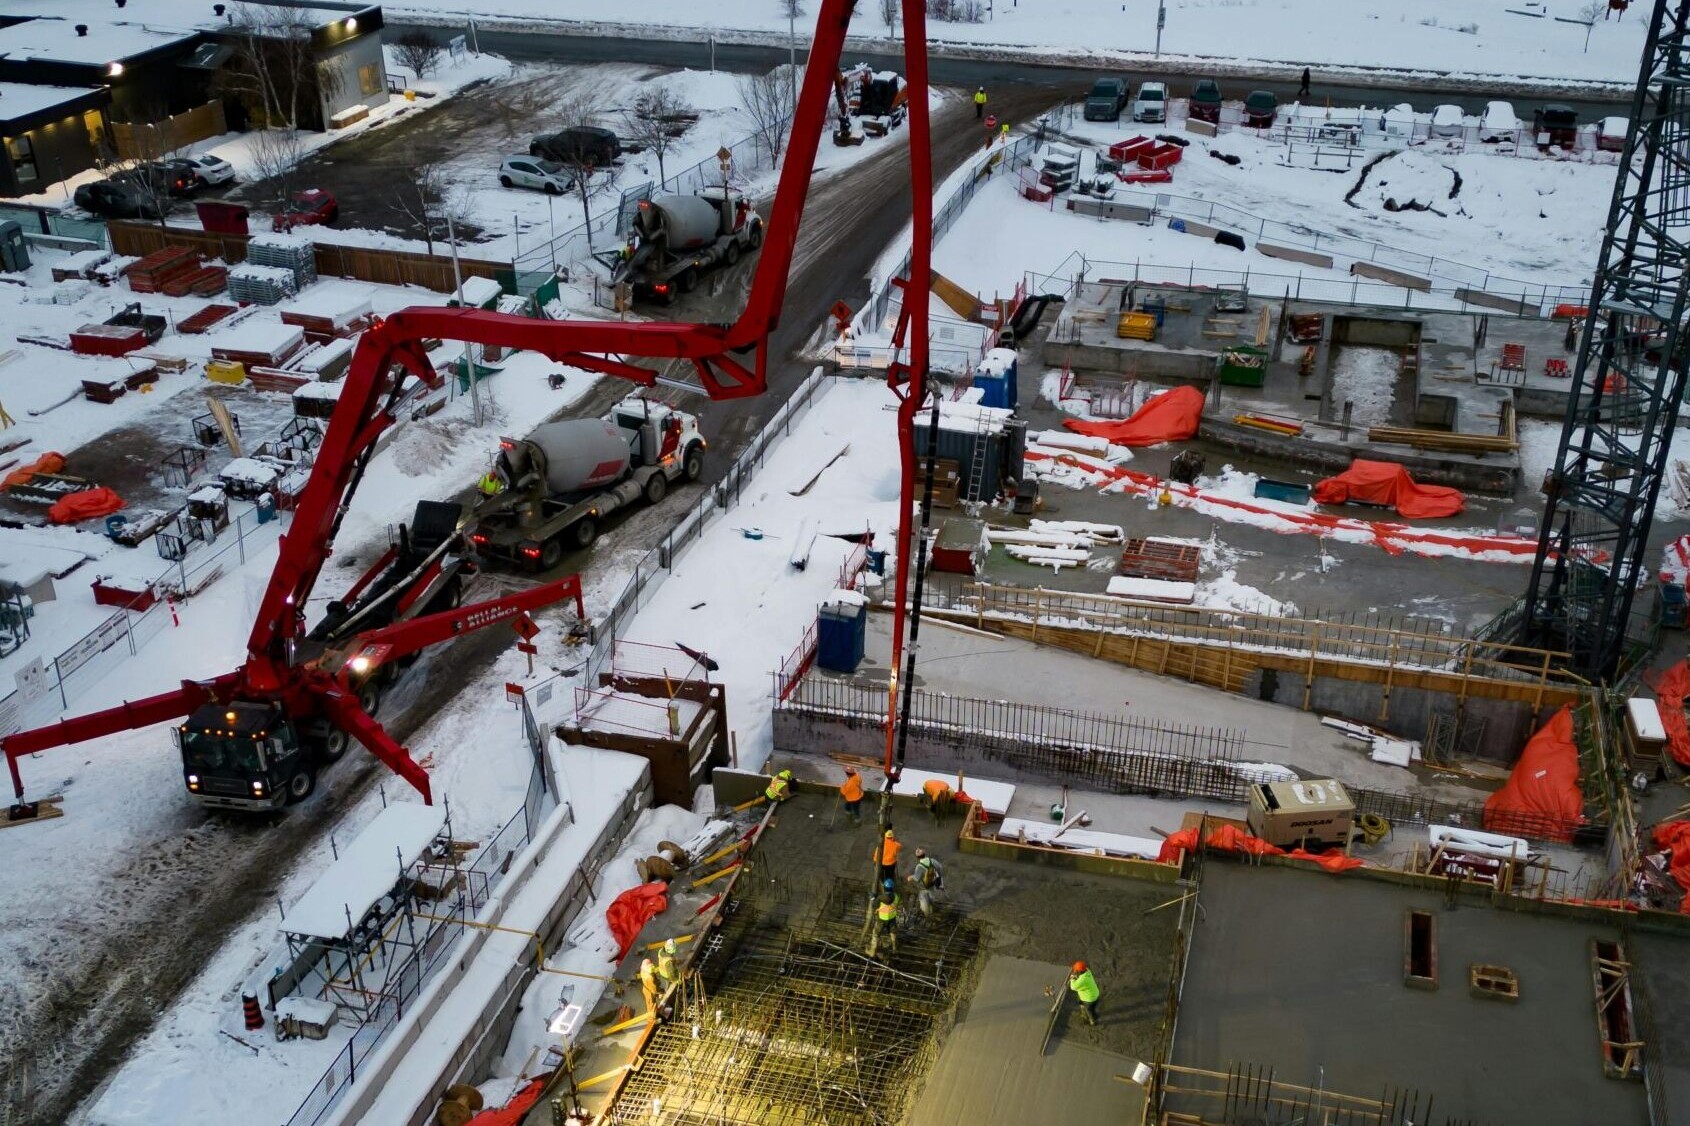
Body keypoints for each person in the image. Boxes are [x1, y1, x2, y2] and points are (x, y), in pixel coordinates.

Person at [907, 847, 944, 917]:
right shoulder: (932, 861)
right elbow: (940, 867)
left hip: (923, 888)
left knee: (924, 903)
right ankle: (932, 910)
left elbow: (917, 878)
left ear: (917, 857)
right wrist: (939, 877)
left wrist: (910, 877)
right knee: (931, 898)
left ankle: (928, 916)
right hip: (932, 885)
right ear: (924, 854)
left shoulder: (919, 866)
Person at [868, 882, 901, 957]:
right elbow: (890, 901)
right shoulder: (896, 896)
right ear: (892, 888)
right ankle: (894, 948)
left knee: (876, 934)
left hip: (881, 920)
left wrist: (873, 898)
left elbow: (875, 906)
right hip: (892, 919)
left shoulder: (880, 898)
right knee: (893, 933)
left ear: (885, 888)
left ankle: (872, 951)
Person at [1068, 961, 1101, 1025]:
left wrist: (1072, 978)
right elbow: (1080, 977)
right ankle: (1092, 1014)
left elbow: (1073, 987)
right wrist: (1076, 975)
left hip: (1089, 999)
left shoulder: (1083, 980)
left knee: (1089, 1011)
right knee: (1092, 1008)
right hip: (1095, 994)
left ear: (1080, 971)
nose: (1075, 971)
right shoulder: (1088, 971)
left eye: (1076, 970)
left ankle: (1093, 1021)